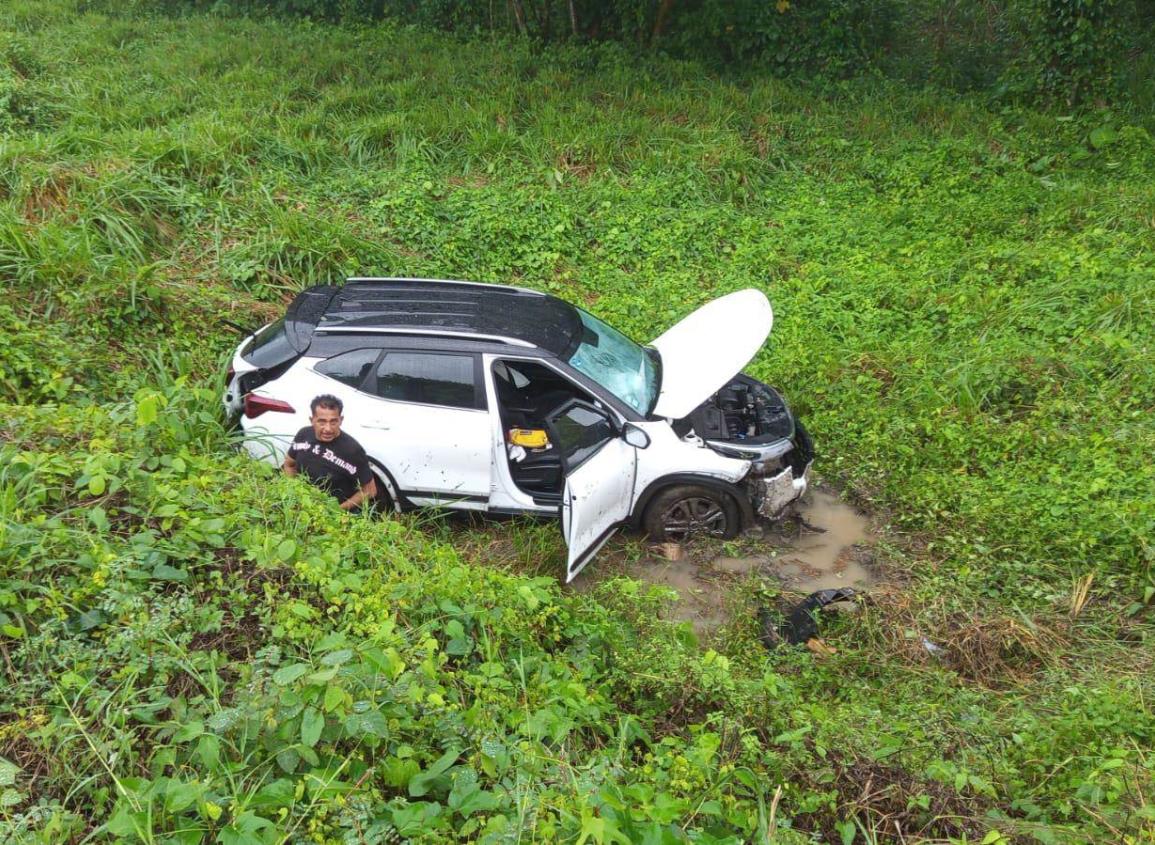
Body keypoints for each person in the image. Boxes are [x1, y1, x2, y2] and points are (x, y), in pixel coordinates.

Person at [283, 395, 377, 511]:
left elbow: (370, 490)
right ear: (312, 420)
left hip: (337, 515)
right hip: (303, 507)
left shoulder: (352, 450)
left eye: (333, 422)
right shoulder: (303, 434)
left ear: (341, 420)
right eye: (322, 422)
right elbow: (289, 464)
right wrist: (294, 493)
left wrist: (335, 511)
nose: (328, 429)